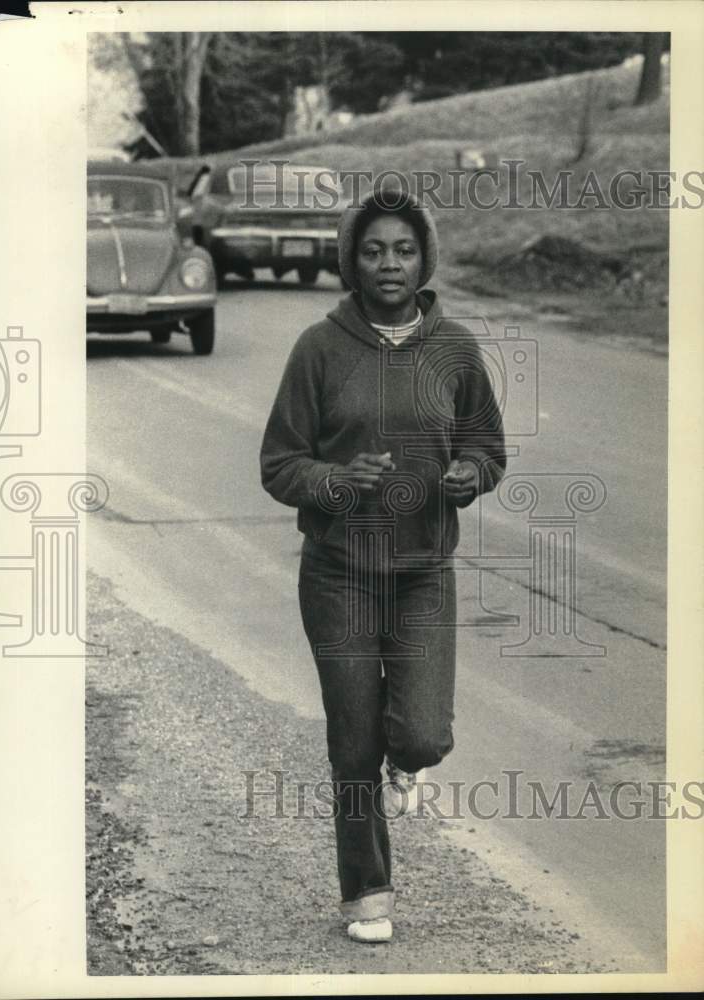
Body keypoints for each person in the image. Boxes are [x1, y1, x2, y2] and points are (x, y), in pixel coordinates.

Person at [260, 188, 506, 943]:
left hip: (423, 569)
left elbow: (487, 446)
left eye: (402, 249)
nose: (388, 263)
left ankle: (410, 764)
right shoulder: (318, 348)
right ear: (351, 262)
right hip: (338, 574)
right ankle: (366, 893)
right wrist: (338, 481)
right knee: (353, 741)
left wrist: (470, 471)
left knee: (422, 734)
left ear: (423, 257)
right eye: (372, 251)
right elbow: (278, 464)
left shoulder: (456, 350)